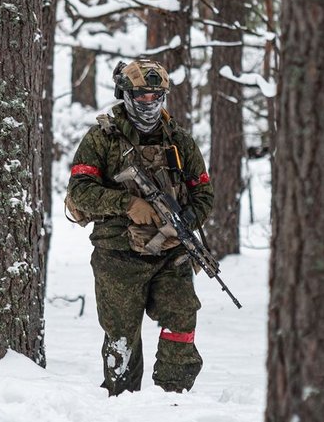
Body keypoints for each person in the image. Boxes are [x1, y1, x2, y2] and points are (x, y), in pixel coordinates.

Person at [66, 59, 214, 396]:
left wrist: (184, 222)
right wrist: (128, 204)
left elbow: (204, 194)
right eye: (141, 96)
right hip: (117, 254)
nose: (149, 103)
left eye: (155, 96)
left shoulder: (180, 141)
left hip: (170, 252)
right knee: (122, 335)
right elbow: (80, 191)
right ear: (126, 95)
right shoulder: (102, 138)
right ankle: (122, 403)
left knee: (182, 317)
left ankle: (173, 398)